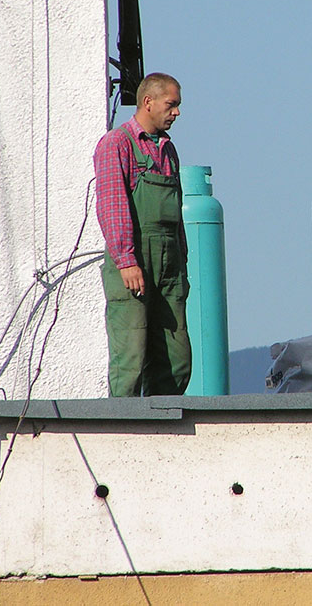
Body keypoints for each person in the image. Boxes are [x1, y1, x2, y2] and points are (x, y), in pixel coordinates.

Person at [94, 73, 192, 396]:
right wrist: (126, 260)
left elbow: (175, 218)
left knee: (176, 359)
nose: (176, 112)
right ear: (148, 102)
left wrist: (182, 267)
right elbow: (112, 205)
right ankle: (123, 432)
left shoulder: (168, 152)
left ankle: (161, 430)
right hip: (134, 261)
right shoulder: (116, 144)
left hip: (169, 267)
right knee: (131, 357)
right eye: (171, 104)